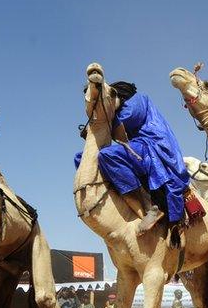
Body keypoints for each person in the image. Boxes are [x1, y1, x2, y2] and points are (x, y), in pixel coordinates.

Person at [75, 81, 190, 234]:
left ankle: (150, 207)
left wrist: (101, 120)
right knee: (82, 159)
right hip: (137, 147)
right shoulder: (115, 114)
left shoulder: (138, 100)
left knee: (108, 155)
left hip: (153, 145)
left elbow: (125, 121)